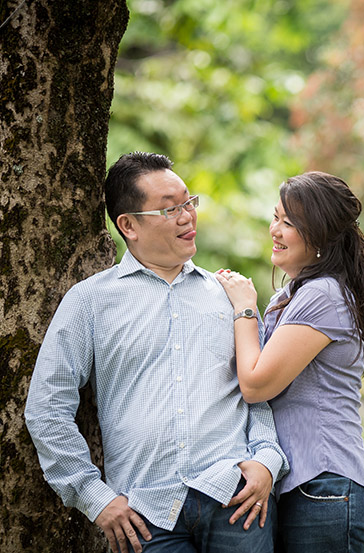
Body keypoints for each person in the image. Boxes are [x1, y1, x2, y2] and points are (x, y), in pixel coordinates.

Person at [25, 152, 289, 553]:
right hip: (144, 517)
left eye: (189, 202)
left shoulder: (228, 294)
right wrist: (94, 498)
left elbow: (254, 389)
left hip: (234, 497)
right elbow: (47, 407)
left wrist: (267, 459)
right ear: (128, 225)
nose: (187, 217)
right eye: (169, 209)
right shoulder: (90, 302)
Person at [215, 171, 364, 552]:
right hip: (302, 486)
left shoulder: (322, 294)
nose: (275, 229)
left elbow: (256, 385)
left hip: (324, 484)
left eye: (289, 223)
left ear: (320, 237)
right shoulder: (292, 295)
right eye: (276, 217)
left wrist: (244, 308)